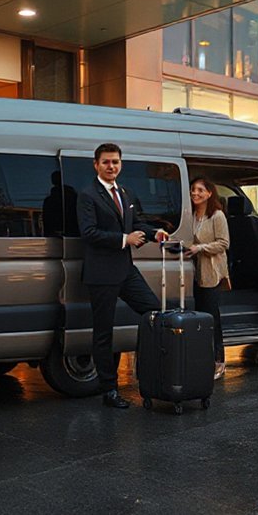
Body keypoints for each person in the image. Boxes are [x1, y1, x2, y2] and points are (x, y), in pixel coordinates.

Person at [77, 143, 168, 409]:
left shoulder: (125, 192)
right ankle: (110, 390)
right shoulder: (87, 194)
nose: (111, 166)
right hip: (101, 273)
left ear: (121, 164)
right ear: (96, 165)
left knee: (153, 312)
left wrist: (155, 234)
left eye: (115, 162)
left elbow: (135, 223)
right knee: (103, 334)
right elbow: (89, 233)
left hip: (126, 270)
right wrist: (124, 239)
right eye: (106, 162)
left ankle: (151, 375)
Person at [188, 177, 230, 380]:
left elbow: (223, 243)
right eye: (193, 189)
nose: (195, 193)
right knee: (200, 317)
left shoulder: (217, 215)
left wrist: (200, 248)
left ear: (209, 193)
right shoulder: (192, 215)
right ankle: (204, 359)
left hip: (212, 272)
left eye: (200, 190)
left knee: (212, 318)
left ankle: (219, 361)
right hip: (196, 272)